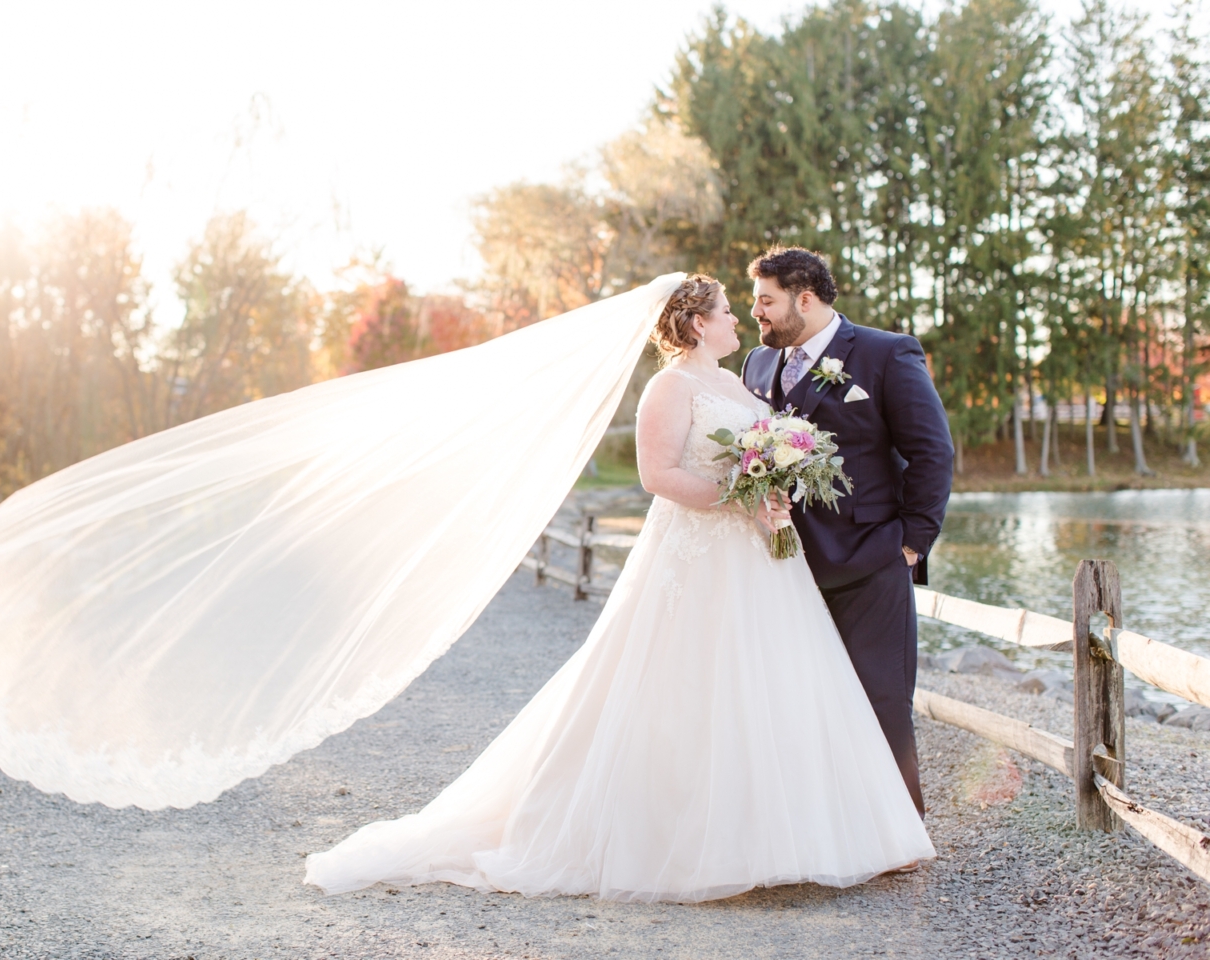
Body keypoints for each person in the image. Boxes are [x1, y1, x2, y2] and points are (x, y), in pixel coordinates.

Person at [304, 274, 934, 902]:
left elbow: (767, 452)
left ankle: (785, 829)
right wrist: (737, 499)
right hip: (699, 551)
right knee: (684, 687)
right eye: (725, 312)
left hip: (760, 557)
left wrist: (767, 492)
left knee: (769, 683)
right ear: (696, 324)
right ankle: (678, 835)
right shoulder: (669, 386)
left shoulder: (737, 379)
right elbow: (656, 475)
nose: (739, 320)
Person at [740, 247, 955, 817]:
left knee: (879, 698)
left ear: (803, 299)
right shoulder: (757, 367)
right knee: (796, 699)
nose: (756, 313)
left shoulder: (887, 353)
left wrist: (911, 543)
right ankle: (820, 827)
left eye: (766, 301)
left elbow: (932, 452)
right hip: (784, 567)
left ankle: (898, 831)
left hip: (871, 559)